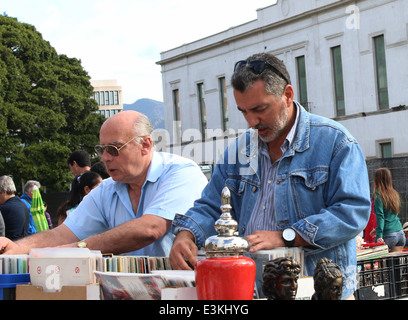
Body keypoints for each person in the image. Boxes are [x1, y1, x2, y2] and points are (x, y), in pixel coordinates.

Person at [169, 52, 371, 300]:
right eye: (243, 111)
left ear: (287, 95)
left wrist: (287, 237)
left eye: (259, 109)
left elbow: (353, 211)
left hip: (320, 292)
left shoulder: (336, 142)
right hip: (252, 291)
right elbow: (212, 206)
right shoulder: (238, 151)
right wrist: (186, 234)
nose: (252, 121)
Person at [0, 111, 208, 257]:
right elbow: (62, 234)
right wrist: (15, 248)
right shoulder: (107, 189)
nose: (105, 158)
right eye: (102, 150)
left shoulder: (181, 172)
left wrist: (79, 248)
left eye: (114, 149)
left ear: (145, 145)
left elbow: (149, 229)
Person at [373, 167, 404, 252]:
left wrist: (379, 235)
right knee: (396, 265)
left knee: (379, 261)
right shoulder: (394, 194)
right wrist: (376, 230)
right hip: (400, 233)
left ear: (377, 180)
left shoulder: (378, 196)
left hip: (388, 235)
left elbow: (381, 217)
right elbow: (391, 216)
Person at [0, 176, 29, 240]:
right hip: (23, 244)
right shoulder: (24, 205)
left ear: (4, 192)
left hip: (9, 246)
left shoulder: (4, 208)